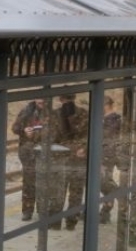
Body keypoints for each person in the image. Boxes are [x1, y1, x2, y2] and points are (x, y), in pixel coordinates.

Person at [51, 93, 89, 229]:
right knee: (58, 191)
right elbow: (50, 136)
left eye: (70, 99)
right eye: (66, 99)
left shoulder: (83, 114)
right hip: (61, 158)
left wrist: (83, 148)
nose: (68, 102)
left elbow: (89, 134)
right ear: (61, 100)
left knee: (76, 191)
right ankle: (54, 222)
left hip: (78, 159)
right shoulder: (54, 115)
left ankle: (71, 221)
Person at [11, 99, 48, 222]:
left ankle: (42, 211)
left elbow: (58, 132)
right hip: (28, 153)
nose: (41, 102)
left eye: (43, 101)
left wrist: (39, 133)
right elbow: (15, 128)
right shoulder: (26, 112)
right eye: (39, 100)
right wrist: (24, 131)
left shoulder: (51, 113)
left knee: (43, 182)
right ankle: (27, 211)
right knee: (29, 182)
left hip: (45, 153)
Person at [97, 95, 122, 224]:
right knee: (103, 183)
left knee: (105, 183)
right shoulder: (105, 119)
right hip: (103, 155)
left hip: (106, 156)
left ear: (105, 105)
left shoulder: (112, 119)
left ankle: (120, 195)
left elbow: (108, 139)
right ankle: (105, 212)